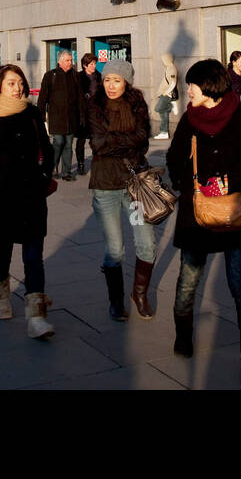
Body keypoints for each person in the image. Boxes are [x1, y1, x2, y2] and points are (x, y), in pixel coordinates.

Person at [164, 58, 241, 387]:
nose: (187, 90)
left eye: (192, 85)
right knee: (187, 282)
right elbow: (172, 158)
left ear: (208, 86)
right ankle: (183, 337)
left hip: (233, 212)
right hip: (195, 215)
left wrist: (226, 183)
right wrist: (190, 185)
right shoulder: (190, 119)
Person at [0, 64, 56, 339]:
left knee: (33, 256)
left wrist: (42, 177)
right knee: (1, 251)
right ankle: (1, 294)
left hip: (31, 195)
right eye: (10, 84)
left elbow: (47, 148)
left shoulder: (31, 112)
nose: (17, 88)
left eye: (20, 83)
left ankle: (36, 316)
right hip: (0, 198)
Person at [87, 59, 157, 321]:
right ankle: (116, 302)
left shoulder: (137, 104)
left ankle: (139, 294)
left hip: (135, 186)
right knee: (115, 249)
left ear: (126, 81)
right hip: (105, 186)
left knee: (146, 244)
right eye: (107, 80)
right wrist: (127, 142)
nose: (111, 85)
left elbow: (142, 138)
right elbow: (96, 144)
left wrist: (112, 140)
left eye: (117, 80)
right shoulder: (94, 106)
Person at [37, 49, 83, 182]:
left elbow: (80, 97)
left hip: (71, 118)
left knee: (68, 145)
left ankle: (66, 172)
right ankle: (52, 167)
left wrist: (82, 115)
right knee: (58, 142)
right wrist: (41, 114)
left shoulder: (75, 75)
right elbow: (42, 97)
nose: (70, 63)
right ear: (60, 61)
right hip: (56, 117)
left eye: (71, 60)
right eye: (67, 60)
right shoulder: (50, 75)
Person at [74, 52, 100, 175]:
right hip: (82, 113)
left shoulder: (99, 76)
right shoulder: (78, 77)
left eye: (95, 63)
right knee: (81, 140)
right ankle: (80, 164)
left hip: (96, 113)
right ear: (85, 65)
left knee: (96, 139)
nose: (94, 66)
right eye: (91, 64)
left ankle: (97, 162)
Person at [153, 53, 178, 140]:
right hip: (164, 93)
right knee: (163, 113)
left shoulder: (172, 69)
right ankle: (164, 132)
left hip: (167, 94)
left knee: (158, 108)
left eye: (164, 60)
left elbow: (173, 83)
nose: (163, 62)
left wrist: (166, 92)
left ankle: (170, 106)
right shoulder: (168, 68)